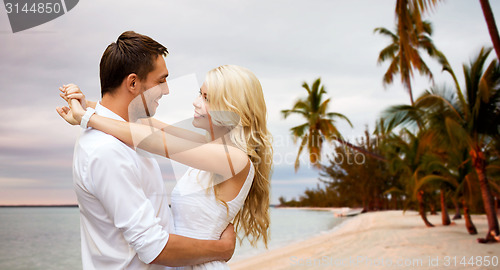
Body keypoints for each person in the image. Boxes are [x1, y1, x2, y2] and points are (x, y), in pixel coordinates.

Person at [59, 63, 273, 269]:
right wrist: (87, 104)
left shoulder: (235, 159)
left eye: (207, 98)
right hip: (186, 263)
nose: (196, 102)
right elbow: (145, 124)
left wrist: (87, 118)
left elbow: (152, 139)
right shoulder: (209, 147)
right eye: (200, 93)